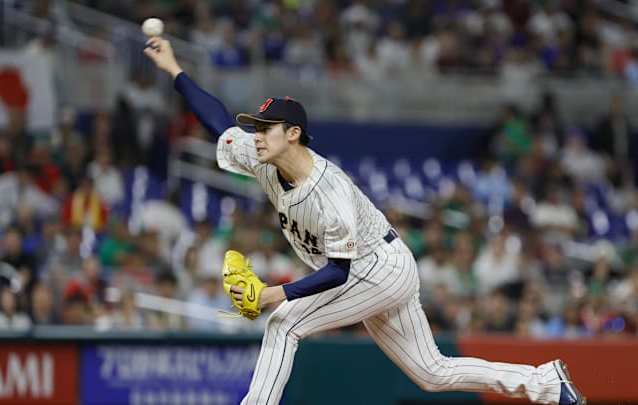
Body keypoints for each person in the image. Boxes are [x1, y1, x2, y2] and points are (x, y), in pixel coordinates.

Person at [143, 37, 585, 405]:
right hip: (372, 269)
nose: (256, 136)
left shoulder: (328, 191)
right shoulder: (261, 157)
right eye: (256, 129)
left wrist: (274, 293)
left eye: (266, 128)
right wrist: (175, 70)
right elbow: (217, 122)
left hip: (376, 269)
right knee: (432, 373)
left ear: (292, 133)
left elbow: (340, 271)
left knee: (283, 323)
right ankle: (547, 383)